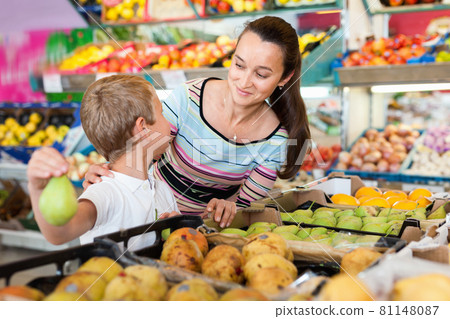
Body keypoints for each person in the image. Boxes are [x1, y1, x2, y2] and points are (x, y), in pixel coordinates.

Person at [84, 16, 310, 228]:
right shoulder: (189, 98)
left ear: (284, 78)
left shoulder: (275, 141)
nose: (244, 81)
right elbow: (138, 149)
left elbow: (244, 207)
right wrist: (109, 177)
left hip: (204, 234)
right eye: (239, 65)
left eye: (261, 75)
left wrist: (229, 208)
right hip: (145, 218)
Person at [27, 75, 180, 249]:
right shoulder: (104, 192)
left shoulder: (162, 190)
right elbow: (61, 233)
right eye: (162, 113)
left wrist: (177, 231)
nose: (169, 122)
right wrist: (37, 188)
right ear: (143, 128)